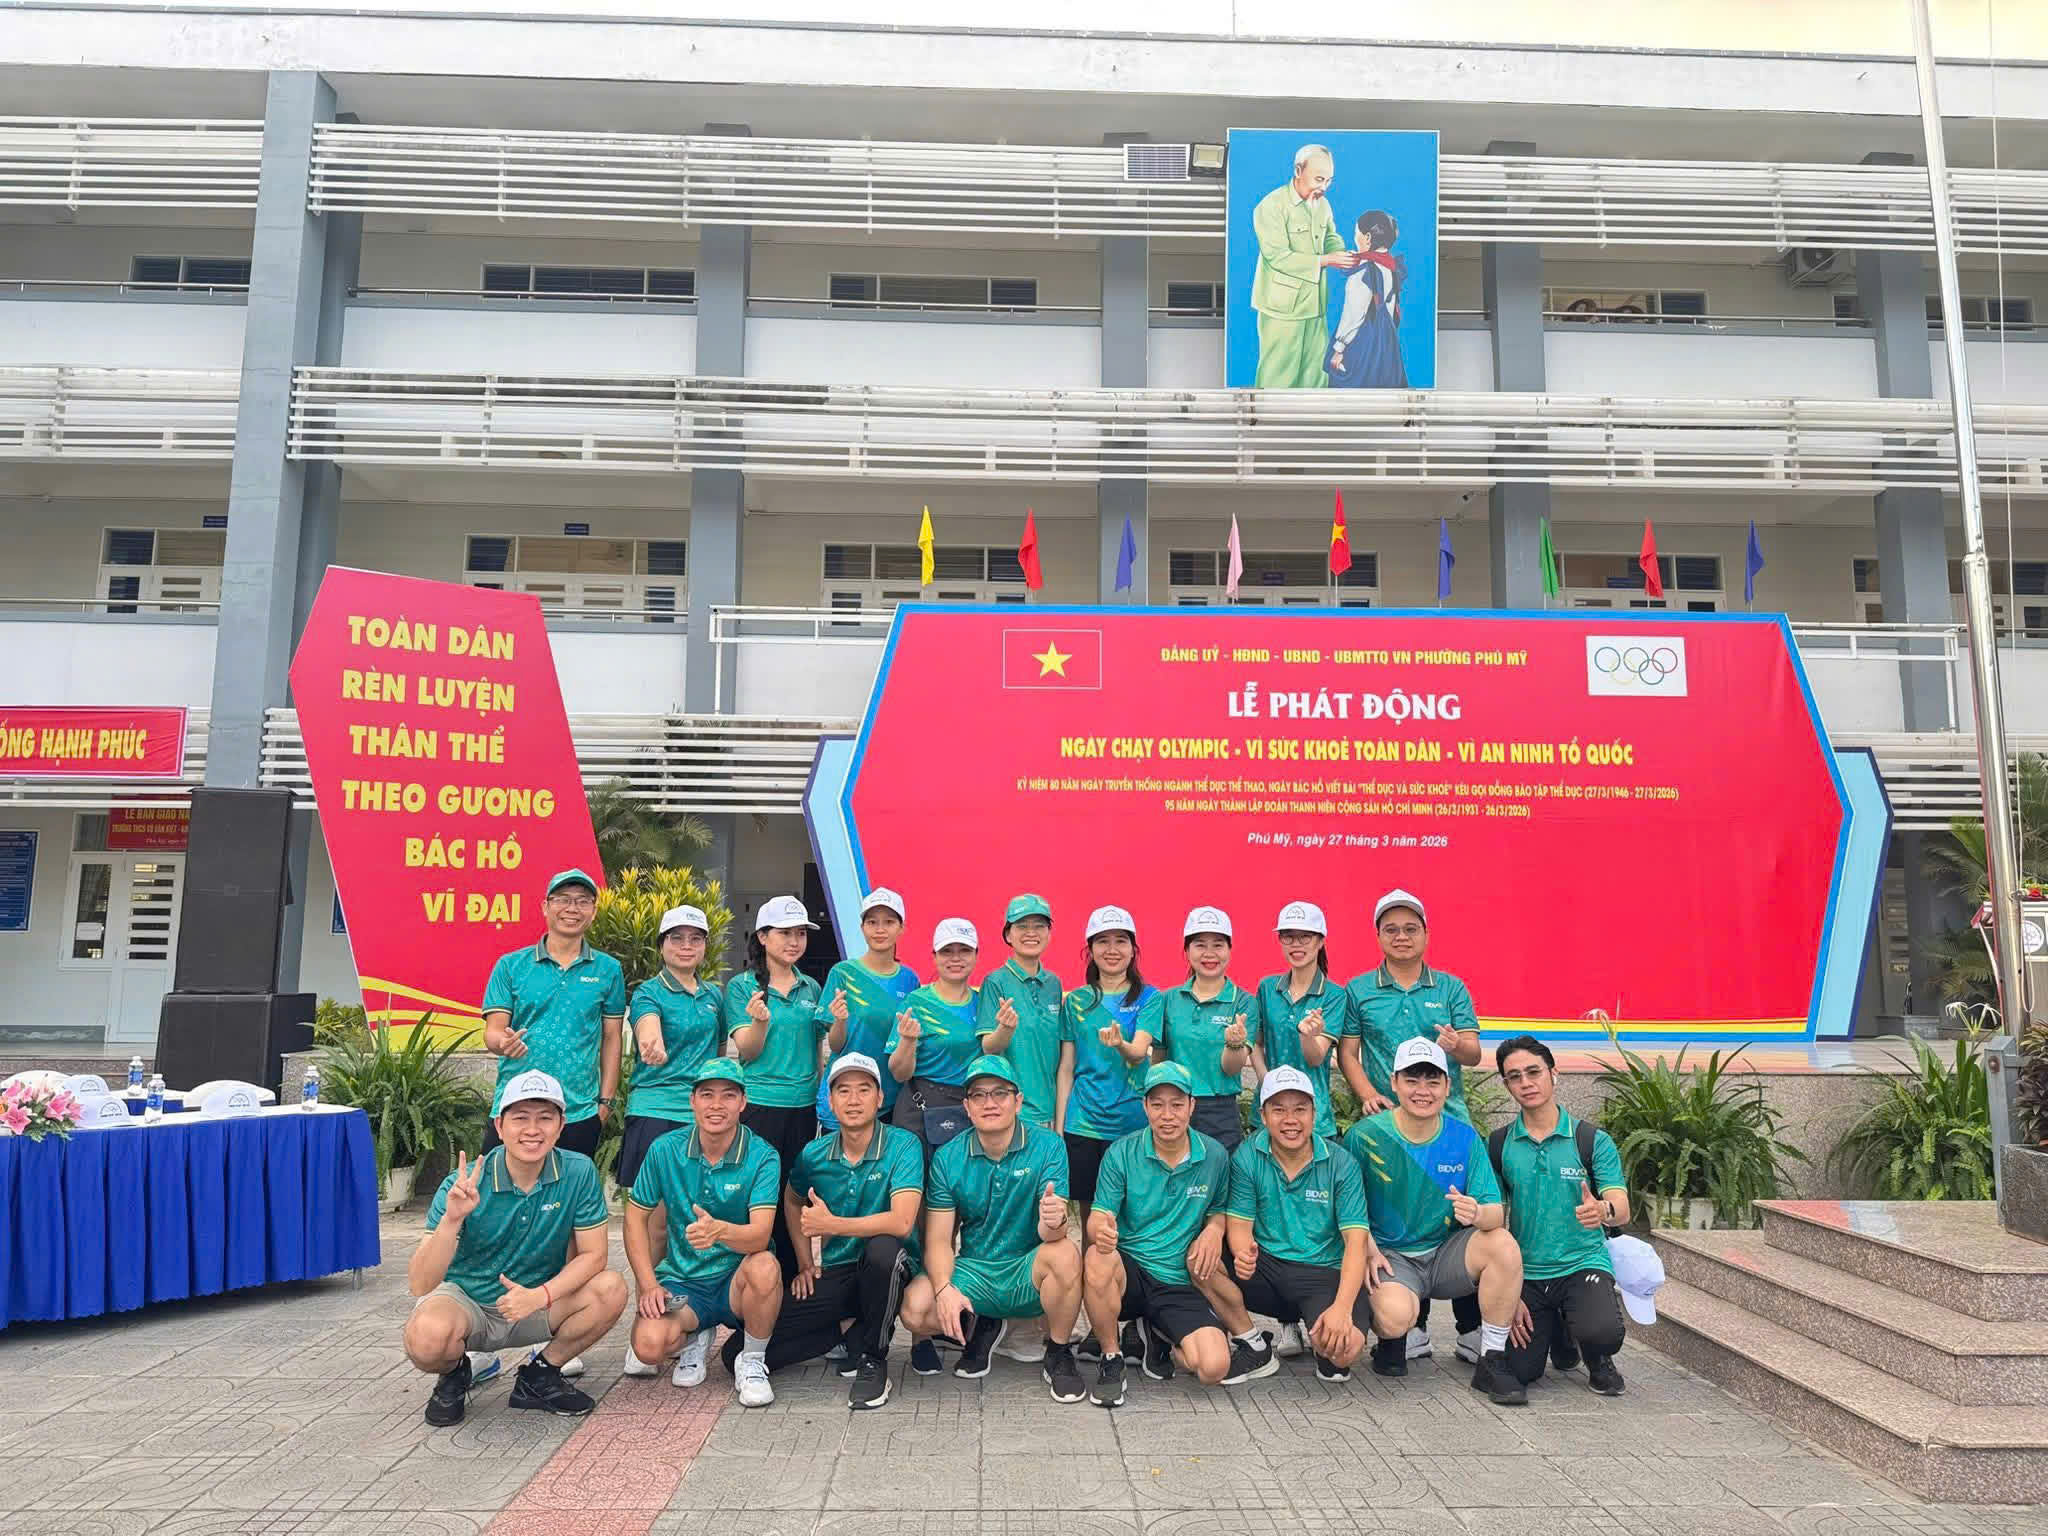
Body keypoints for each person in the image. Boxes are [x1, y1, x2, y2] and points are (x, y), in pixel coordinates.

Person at [404, 1070, 625, 1427]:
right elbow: (420, 1283)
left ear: (561, 1125)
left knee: (611, 1288)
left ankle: (540, 1375)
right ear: (499, 1125)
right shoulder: (464, 1182)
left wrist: (541, 1295)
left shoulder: (578, 1171)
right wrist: (452, 1219)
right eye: (520, 1118)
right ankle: (455, 1373)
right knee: (426, 1338)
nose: (532, 1130)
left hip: (537, 1302)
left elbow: (594, 1255)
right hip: (468, 1302)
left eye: (545, 1118)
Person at [731, 1053, 926, 1410]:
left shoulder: (903, 1145)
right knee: (737, 1353)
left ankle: (873, 1359)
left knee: (883, 1249)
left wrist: (833, 1225)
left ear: (880, 1098)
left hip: (893, 1269)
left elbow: (901, 1222)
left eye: (864, 1090)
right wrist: (806, 1262)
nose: (854, 1100)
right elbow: (792, 1200)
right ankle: (847, 1331)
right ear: (831, 1102)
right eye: (843, 1091)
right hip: (839, 1270)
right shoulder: (814, 1154)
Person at [1341, 887, 1484, 1363]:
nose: (1401, 937)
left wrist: (1456, 1045)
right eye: (1391, 929)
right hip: (1390, 1126)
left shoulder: (1450, 988)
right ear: (1378, 936)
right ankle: (1413, 1325)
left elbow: (1473, 1052)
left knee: (1458, 1217)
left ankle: (1471, 1327)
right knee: (1402, 1216)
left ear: (1425, 933)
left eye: (1410, 928)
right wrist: (1368, 1094)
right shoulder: (1359, 990)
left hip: (1449, 1121)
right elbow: (1348, 1053)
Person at [1344, 1038, 1527, 1406]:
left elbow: (1495, 1212)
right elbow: (1345, 1206)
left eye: (1432, 1081)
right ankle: (1392, 1341)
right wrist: (1366, 1248)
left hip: (1446, 1254)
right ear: (1394, 1083)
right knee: (1395, 1317)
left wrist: (1477, 1213)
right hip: (1391, 1257)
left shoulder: (1464, 1137)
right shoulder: (1364, 1136)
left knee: (1502, 1244)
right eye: (1412, 1080)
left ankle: (1492, 1357)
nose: (1422, 1091)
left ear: (1447, 1086)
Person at [898, 1055, 1088, 1403]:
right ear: (967, 1107)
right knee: (915, 1308)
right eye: (979, 1095)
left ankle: (1058, 1351)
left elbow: (1052, 1235)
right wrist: (944, 1289)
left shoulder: (1048, 1146)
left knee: (1065, 1254)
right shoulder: (948, 1157)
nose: (990, 1103)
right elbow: (938, 1240)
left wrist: (1055, 1220)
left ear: (1018, 1101)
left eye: (1000, 1093)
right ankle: (982, 1322)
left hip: (1027, 1267)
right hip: (977, 1270)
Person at [624, 1058, 784, 1408]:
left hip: (735, 1282)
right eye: (707, 1094)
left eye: (728, 1095)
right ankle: (695, 1334)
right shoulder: (664, 1149)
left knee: (765, 1266)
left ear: (743, 1103)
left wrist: (719, 1231)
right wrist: (648, 1285)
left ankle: (752, 1360)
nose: (716, 1105)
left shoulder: (763, 1155)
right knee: (648, 1347)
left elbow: (760, 1236)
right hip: (684, 1281)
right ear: (692, 1101)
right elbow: (635, 1217)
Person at [1081, 1061, 1242, 1406]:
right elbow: (1099, 1215)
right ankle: (1111, 1358)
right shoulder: (1122, 1152)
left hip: (1178, 1279)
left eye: (1176, 1104)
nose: (1167, 1115)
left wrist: (1214, 1230)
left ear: (1192, 1106)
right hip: (1132, 1272)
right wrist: (1102, 1230)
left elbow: (1219, 1209)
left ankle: (1158, 1334)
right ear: (1145, 1107)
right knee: (1096, 1256)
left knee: (1213, 1368)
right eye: (1157, 1104)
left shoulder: (1214, 1155)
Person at [617, 902, 726, 1377]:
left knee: (698, 1219)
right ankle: (650, 1314)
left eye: (695, 938)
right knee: (657, 1226)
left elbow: (719, 1051)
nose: (686, 946)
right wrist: (650, 1043)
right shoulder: (648, 992)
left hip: (702, 1116)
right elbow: (647, 1029)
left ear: (705, 947)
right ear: (662, 946)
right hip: (655, 1112)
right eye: (676, 938)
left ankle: (692, 1321)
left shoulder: (714, 995)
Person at [1490, 1034, 1631, 1396]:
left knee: (1602, 1332)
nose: (1526, 1083)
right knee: (1520, 1370)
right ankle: (1558, 1331)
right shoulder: (1499, 1143)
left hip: (1582, 1263)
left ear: (1554, 1074)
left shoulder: (1590, 1139)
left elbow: (1621, 1207)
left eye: (1534, 1072)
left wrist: (1602, 1209)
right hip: (1528, 1272)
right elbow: (1494, 1221)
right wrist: (1507, 1290)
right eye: (1515, 1076)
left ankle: (1596, 1355)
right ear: (1506, 1085)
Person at [1223, 1066, 1379, 1381]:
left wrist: (1341, 1309)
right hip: (1267, 1265)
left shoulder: (1341, 1163)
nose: (1290, 1120)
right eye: (1279, 1110)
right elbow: (1238, 1225)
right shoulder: (1247, 1156)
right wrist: (1242, 1254)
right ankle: (1253, 1344)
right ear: (1263, 1116)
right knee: (1204, 1258)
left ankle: (1318, 1331)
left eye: (1300, 1109)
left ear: (1313, 1114)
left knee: (1342, 1353)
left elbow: (1356, 1242)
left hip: (1322, 1272)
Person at [480, 868, 625, 1159]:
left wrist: (605, 1103)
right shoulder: (511, 965)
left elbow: (612, 1037)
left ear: (593, 911)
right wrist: (503, 1043)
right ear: (545, 907)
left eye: (583, 901)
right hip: (516, 1107)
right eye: (563, 899)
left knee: (570, 1187)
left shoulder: (608, 969)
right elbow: (493, 1031)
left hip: (578, 1111)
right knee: (497, 1185)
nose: (572, 908)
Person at [724, 894, 825, 1280]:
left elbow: (817, 1050)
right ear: (763, 937)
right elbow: (747, 1051)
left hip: (803, 1108)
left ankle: (790, 1281)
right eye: (785, 933)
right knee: (758, 1194)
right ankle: (752, 1283)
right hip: (759, 1106)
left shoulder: (811, 987)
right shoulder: (742, 986)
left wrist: (817, 1095)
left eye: (801, 933)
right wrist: (760, 1021)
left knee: (793, 1194)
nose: (794, 941)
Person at [1055, 904, 1159, 1210]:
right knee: (1091, 1214)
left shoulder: (1150, 998)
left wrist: (1120, 1045)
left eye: (1120, 941)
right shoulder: (1075, 1001)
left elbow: (1138, 1053)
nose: (1112, 950)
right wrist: (1060, 1127)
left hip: (1133, 1122)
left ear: (1133, 950)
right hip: (1082, 1123)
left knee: (1132, 1212)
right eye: (1102, 941)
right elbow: (1066, 1068)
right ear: (1090, 950)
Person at [1248, 142, 1360, 388]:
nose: (1324, 187)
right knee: (1279, 374)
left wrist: (1341, 254)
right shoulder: (1271, 206)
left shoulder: (1322, 205)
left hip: (1315, 306)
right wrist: (1326, 260)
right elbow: (1277, 256)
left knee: (1315, 375)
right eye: (1319, 179)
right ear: (1298, 171)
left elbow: (1330, 236)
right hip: (1282, 310)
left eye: (1329, 181)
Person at [1152, 906, 1256, 1151]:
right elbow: (1159, 1058)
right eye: (1200, 945)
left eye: (1218, 945)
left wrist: (1234, 1044)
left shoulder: (1244, 1002)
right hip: (1173, 1107)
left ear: (1229, 950)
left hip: (1220, 1112)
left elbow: (1232, 1068)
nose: (1209, 954)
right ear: (1187, 950)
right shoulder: (1167, 1000)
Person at [815, 888, 919, 1134]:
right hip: (846, 1100)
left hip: (889, 1100)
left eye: (889, 922)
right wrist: (840, 1021)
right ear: (862, 928)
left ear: (901, 928)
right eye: (872, 922)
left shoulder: (910, 980)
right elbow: (836, 1045)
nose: (880, 929)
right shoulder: (843, 973)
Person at [886, 917, 986, 1149]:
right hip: (920, 1110)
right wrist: (908, 1041)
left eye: (964, 950)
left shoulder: (983, 1003)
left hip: (968, 1107)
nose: (955, 958)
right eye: (946, 951)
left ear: (976, 955)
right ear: (934, 956)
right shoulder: (916, 1002)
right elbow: (899, 1073)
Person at [976, 893, 1063, 1132]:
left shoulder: (1054, 984)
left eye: (1039, 926)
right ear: (1008, 934)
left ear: (1049, 933)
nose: (1031, 933)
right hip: (1014, 1113)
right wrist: (1005, 1029)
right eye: (1022, 926)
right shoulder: (995, 982)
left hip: (1052, 1113)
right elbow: (988, 1048)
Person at [1325, 209, 1407, 389]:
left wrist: (1339, 350)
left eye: (1357, 233)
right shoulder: (1390, 266)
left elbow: (1353, 315)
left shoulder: (1363, 271)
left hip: (1363, 343)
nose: (1355, 238)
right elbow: (1392, 310)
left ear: (1368, 237)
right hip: (1387, 343)